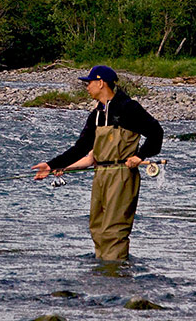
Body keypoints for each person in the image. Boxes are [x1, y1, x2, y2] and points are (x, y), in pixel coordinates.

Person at [32, 65, 164, 263]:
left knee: (114, 228)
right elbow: (80, 148)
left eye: (89, 82)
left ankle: (116, 276)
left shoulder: (128, 108)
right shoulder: (96, 115)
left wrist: (140, 155)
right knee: (97, 226)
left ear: (101, 83)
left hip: (122, 176)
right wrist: (52, 166)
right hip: (100, 174)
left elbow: (156, 132)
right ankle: (102, 274)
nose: (86, 87)